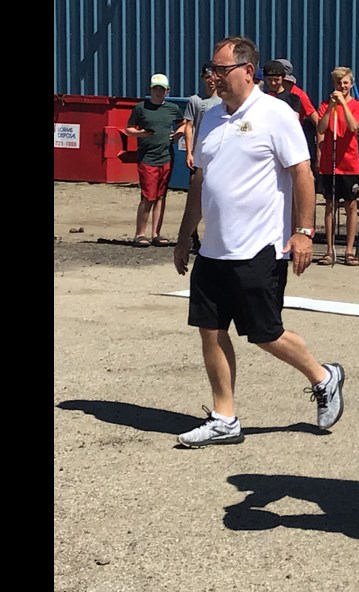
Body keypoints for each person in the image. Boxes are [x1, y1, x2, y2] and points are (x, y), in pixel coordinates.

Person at [171, 36, 347, 448]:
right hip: (214, 250)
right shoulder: (212, 117)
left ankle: (324, 376)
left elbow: (303, 173)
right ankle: (224, 417)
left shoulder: (276, 114)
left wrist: (304, 233)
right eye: (212, 70)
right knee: (210, 330)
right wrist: (184, 235)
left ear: (247, 71)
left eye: (222, 69)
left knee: (266, 333)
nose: (214, 77)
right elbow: (201, 180)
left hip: (259, 248)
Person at [125, 73, 185, 247]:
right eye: (155, 88)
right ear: (151, 89)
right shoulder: (140, 108)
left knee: (160, 196)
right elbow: (129, 128)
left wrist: (178, 133)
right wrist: (140, 133)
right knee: (148, 197)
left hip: (166, 156)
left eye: (161, 89)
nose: (158, 92)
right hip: (147, 158)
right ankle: (140, 234)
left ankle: (156, 234)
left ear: (167, 91)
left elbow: (184, 123)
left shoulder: (173, 108)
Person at [316, 66, 359, 266]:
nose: (342, 86)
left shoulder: (357, 105)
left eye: (345, 83)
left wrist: (343, 104)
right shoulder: (325, 104)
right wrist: (330, 108)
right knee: (330, 205)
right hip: (330, 163)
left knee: (351, 205)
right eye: (339, 83)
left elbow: (353, 126)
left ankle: (349, 250)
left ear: (351, 85)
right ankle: (329, 249)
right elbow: (321, 127)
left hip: (349, 162)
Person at [183, 63, 222, 253]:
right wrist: (190, 151)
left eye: (214, 76)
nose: (211, 80)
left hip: (219, 158)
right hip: (200, 157)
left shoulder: (224, 102)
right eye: (207, 77)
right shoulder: (197, 101)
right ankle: (192, 235)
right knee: (196, 195)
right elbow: (189, 126)